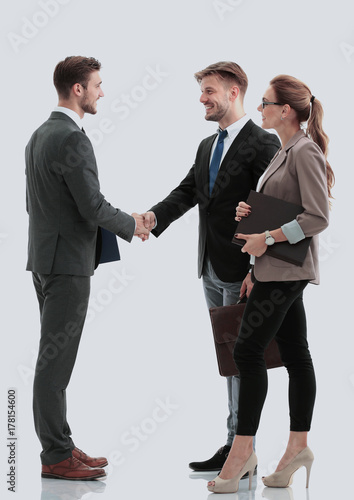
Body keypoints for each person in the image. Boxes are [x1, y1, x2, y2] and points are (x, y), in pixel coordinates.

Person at [141, 61, 280, 471]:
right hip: (210, 267)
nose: (202, 98)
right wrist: (151, 218)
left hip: (244, 270)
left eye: (209, 90)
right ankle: (236, 445)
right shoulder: (208, 145)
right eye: (201, 90)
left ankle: (243, 448)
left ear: (233, 91)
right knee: (229, 359)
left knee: (246, 358)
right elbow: (188, 191)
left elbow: (271, 208)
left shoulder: (262, 143)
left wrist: (258, 268)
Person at [207, 75, 334, 493]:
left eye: (265, 103)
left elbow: (317, 217)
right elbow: (282, 209)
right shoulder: (284, 152)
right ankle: (297, 448)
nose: (259, 108)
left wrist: (270, 238)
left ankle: (242, 452)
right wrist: (251, 213)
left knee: (247, 350)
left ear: (287, 111)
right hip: (270, 268)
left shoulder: (305, 151)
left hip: (287, 270)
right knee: (296, 352)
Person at [25, 56, 149, 480]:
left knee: (53, 359)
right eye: (97, 84)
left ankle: (61, 444)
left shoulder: (39, 135)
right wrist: (133, 224)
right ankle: (56, 456)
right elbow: (91, 205)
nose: (102, 92)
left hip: (44, 260)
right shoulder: (72, 138)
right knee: (54, 364)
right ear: (77, 89)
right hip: (67, 266)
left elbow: (35, 205)